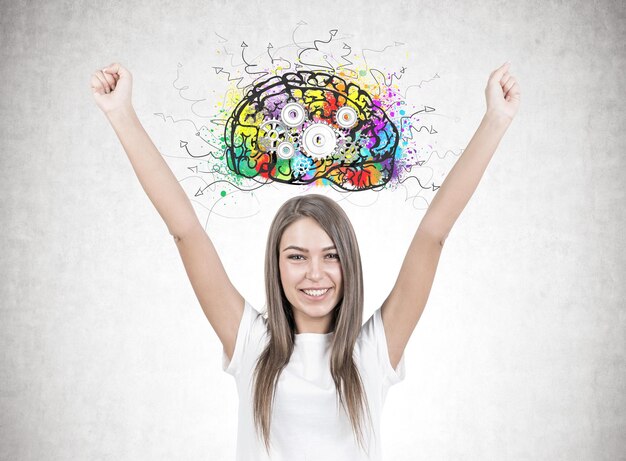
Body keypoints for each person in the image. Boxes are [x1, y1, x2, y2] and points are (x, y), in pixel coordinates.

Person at [91, 62, 520, 460]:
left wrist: (495, 121)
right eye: (297, 256)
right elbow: (185, 229)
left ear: (348, 263)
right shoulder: (252, 346)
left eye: (330, 256)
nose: (315, 273)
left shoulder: (371, 353)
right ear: (275, 266)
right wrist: (121, 113)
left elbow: (433, 234)